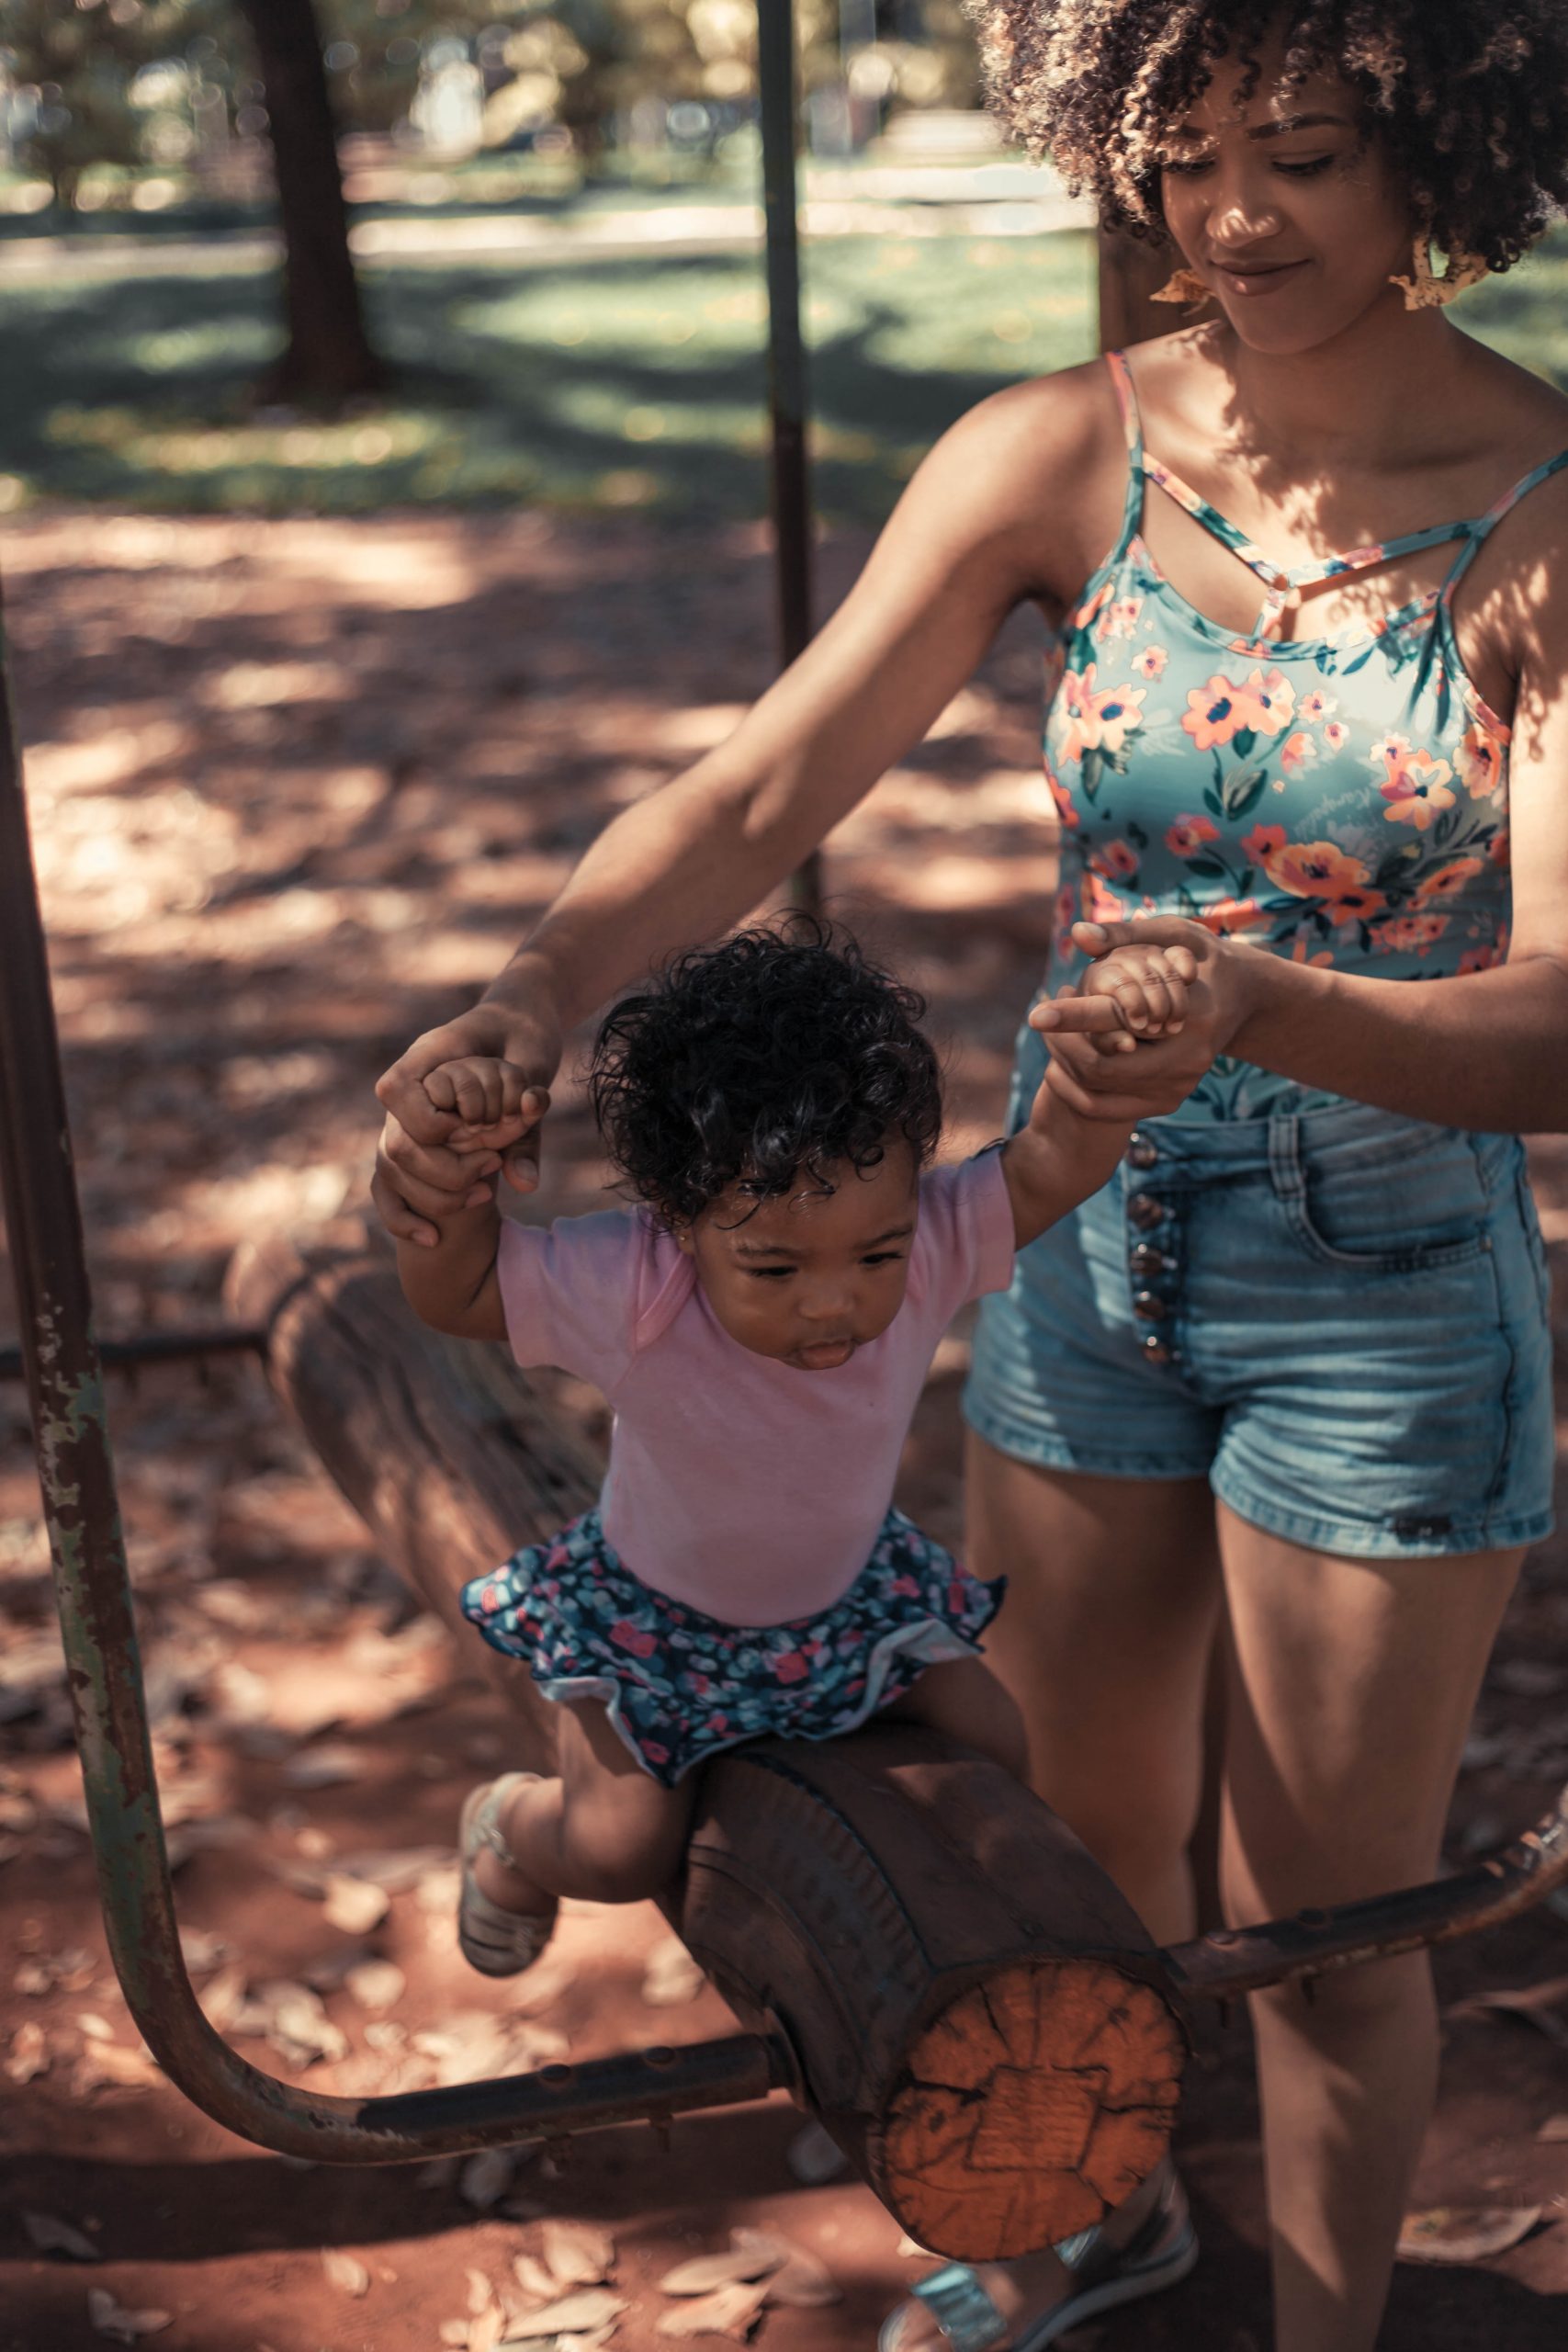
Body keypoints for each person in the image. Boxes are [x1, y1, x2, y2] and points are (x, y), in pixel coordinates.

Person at [372, 6, 1568, 2345]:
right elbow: (751, 793)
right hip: (1071, 1248)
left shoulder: (1543, 506)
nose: (1231, 219)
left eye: (1303, 153)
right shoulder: (1055, 452)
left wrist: (1261, 1007)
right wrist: (527, 989)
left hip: (1386, 1275)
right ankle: (1072, 2247)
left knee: (1322, 1909)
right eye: (1182, 159)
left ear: (1435, 146)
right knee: (1071, 1851)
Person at [395, 922, 1191, 1975]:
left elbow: (1051, 1162)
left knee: (993, 1744)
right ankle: (508, 1830)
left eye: (876, 1251)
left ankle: (949, 1959)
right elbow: (460, 1294)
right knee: (619, 1845)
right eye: (772, 1269)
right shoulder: (638, 1287)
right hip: (657, 1630)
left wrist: (1103, 1075)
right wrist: (448, 1189)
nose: (835, 1302)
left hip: (849, 1602)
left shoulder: (933, 1246)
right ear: (679, 1224)